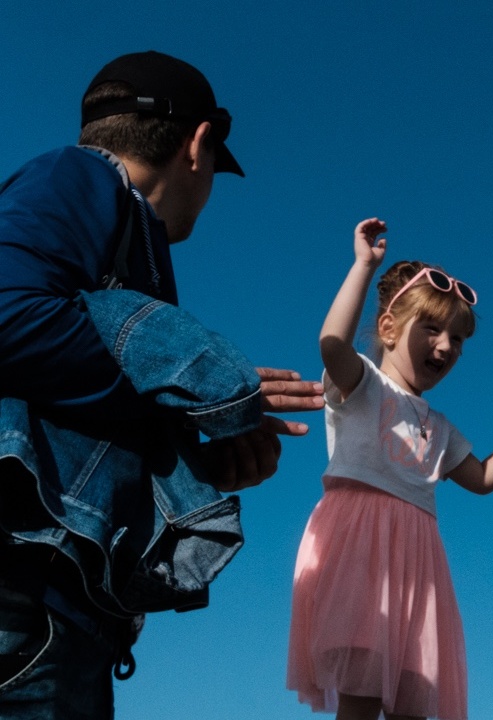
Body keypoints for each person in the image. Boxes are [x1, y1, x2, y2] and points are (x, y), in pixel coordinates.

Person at [0, 51, 323, 718]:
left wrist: (196, 451)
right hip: (23, 598)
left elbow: (69, 409)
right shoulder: (79, 177)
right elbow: (6, 313)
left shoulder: (113, 230)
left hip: (65, 614)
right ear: (199, 145)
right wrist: (189, 388)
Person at [287, 218, 493, 720]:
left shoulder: (440, 427)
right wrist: (363, 267)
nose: (447, 346)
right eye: (432, 329)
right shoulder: (363, 385)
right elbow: (333, 343)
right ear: (387, 328)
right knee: (359, 697)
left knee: (412, 700)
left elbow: (483, 478)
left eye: (459, 338)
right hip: (361, 555)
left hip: (418, 568)